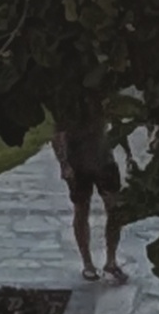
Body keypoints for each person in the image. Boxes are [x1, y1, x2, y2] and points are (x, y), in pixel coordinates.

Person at [51, 112, 129, 285]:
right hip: (77, 162)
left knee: (114, 209)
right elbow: (57, 135)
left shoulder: (100, 98)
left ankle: (111, 261)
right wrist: (64, 165)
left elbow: (117, 125)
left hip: (104, 159)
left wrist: (128, 152)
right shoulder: (69, 103)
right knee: (81, 209)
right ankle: (87, 262)